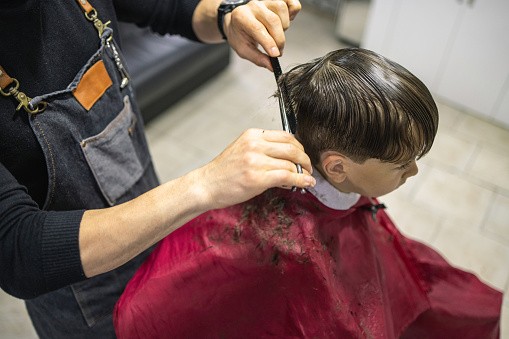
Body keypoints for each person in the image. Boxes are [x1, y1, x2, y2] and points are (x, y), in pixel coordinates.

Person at [113, 48, 503, 338]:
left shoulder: (342, 182)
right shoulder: (275, 238)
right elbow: (144, 313)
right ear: (337, 168)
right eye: (402, 165)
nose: (413, 172)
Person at [0, 0, 316, 337]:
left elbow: (166, 8)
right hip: (82, 294)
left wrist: (227, 17)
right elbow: (19, 251)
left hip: (151, 213)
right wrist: (204, 185)